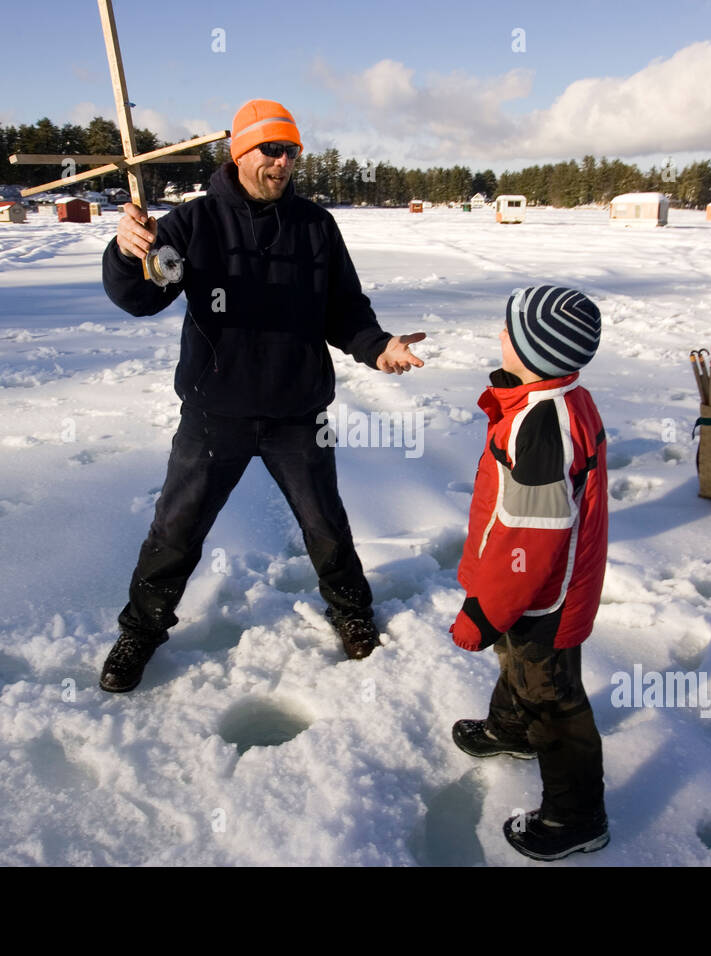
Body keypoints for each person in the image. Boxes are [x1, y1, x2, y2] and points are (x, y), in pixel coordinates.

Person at [98, 98, 425, 692]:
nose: (282, 163)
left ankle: (352, 613)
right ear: (239, 152)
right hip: (212, 415)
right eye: (270, 150)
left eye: (291, 151)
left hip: (298, 414)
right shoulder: (191, 224)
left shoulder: (315, 226)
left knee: (326, 525)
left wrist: (378, 347)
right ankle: (140, 632)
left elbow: (343, 309)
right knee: (174, 532)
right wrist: (127, 254)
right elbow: (142, 296)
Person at [447, 285, 610, 861]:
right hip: (534, 591)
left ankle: (576, 816)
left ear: (537, 352)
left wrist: (484, 611)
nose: (499, 338)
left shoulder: (541, 425)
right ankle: (509, 730)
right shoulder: (552, 399)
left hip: (542, 597)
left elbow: (529, 542)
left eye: (509, 332)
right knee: (516, 664)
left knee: (554, 701)